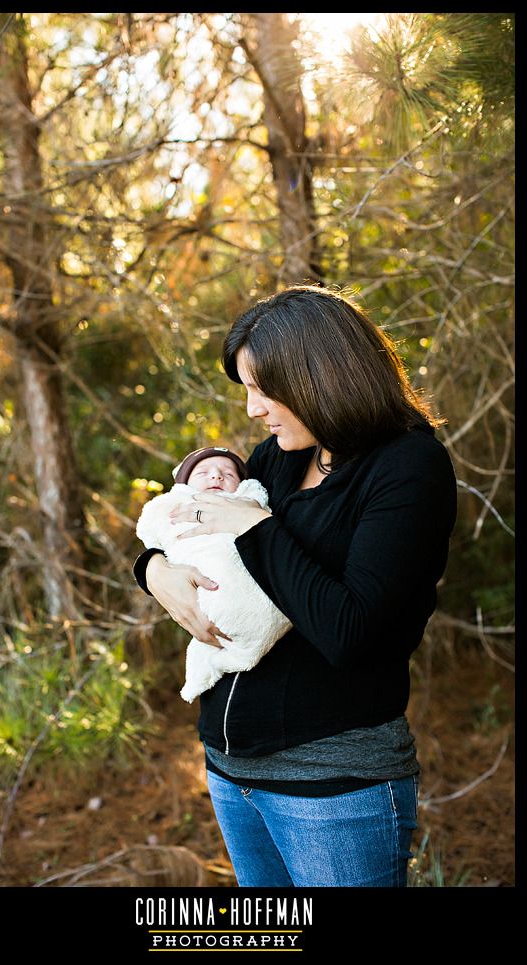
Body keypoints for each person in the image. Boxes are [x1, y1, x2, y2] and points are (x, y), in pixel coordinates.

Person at [133, 285, 457, 888]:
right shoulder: (277, 456)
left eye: (262, 388)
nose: (253, 408)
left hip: (332, 785)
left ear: (319, 377)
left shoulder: (408, 468)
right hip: (231, 770)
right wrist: (152, 570)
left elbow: (350, 632)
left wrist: (258, 527)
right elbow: (193, 523)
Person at [135, 447, 291, 703]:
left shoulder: (250, 502)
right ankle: (210, 666)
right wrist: (151, 567)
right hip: (218, 720)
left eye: (228, 474)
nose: (217, 477)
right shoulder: (176, 505)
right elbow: (151, 533)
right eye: (204, 472)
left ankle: (239, 645)